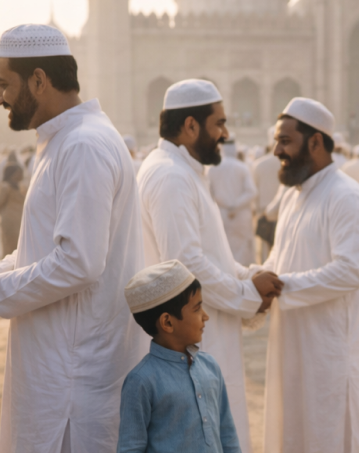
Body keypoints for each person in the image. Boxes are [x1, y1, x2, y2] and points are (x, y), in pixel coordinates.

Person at [0, 24, 149, 453]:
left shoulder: (83, 145)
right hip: (58, 369)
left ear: (39, 80)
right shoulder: (66, 141)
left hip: (74, 382)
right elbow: (44, 249)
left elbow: (78, 262)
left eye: (4, 83)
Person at [137, 79, 282, 453]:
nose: (225, 133)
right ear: (190, 126)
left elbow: (208, 253)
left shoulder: (185, 171)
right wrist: (247, 295)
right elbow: (185, 265)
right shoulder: (170, 176)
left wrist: (248, 275)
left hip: (206, 335)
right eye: (219, 123)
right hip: (192, 339)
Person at [251, 98, 359, 453]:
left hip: (329, 352)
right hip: (291, 344)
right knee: (293, 431)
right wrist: (252, 280)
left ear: (316, 142)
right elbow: (279, 259)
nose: (276, 150)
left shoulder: (346, 196)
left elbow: (350, 271)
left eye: (285, 141)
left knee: (331, 434)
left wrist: (281, 287)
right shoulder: (294, 196)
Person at [117, 260, 241, 453]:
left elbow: (227, 433)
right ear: (167, 322)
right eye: (197, 308)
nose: (205, 316)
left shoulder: (210, 366)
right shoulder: (141, 381)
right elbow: (130, 447)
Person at [209, 142, 260, 267]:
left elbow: (209, 193)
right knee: (243, 251)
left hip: (222, 214)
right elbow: (251, 192)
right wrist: (235, 206)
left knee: (224, 249)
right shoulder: (242, 167)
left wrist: (226, 206)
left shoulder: (213, 168)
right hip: (240, 215)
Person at [250, 128, 281, 261]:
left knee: (265, 254)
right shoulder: (286, 163)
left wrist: (255, 211)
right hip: (282, 210)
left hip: (263, 212)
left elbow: (254, 191)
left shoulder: (259, 165)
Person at [0, 164, 25, 256]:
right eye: (18, 173)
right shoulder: (6, 187)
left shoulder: (22, 187)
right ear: (12, 174)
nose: (21, 175)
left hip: (21, 220)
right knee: (9, 245)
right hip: (9, 220)